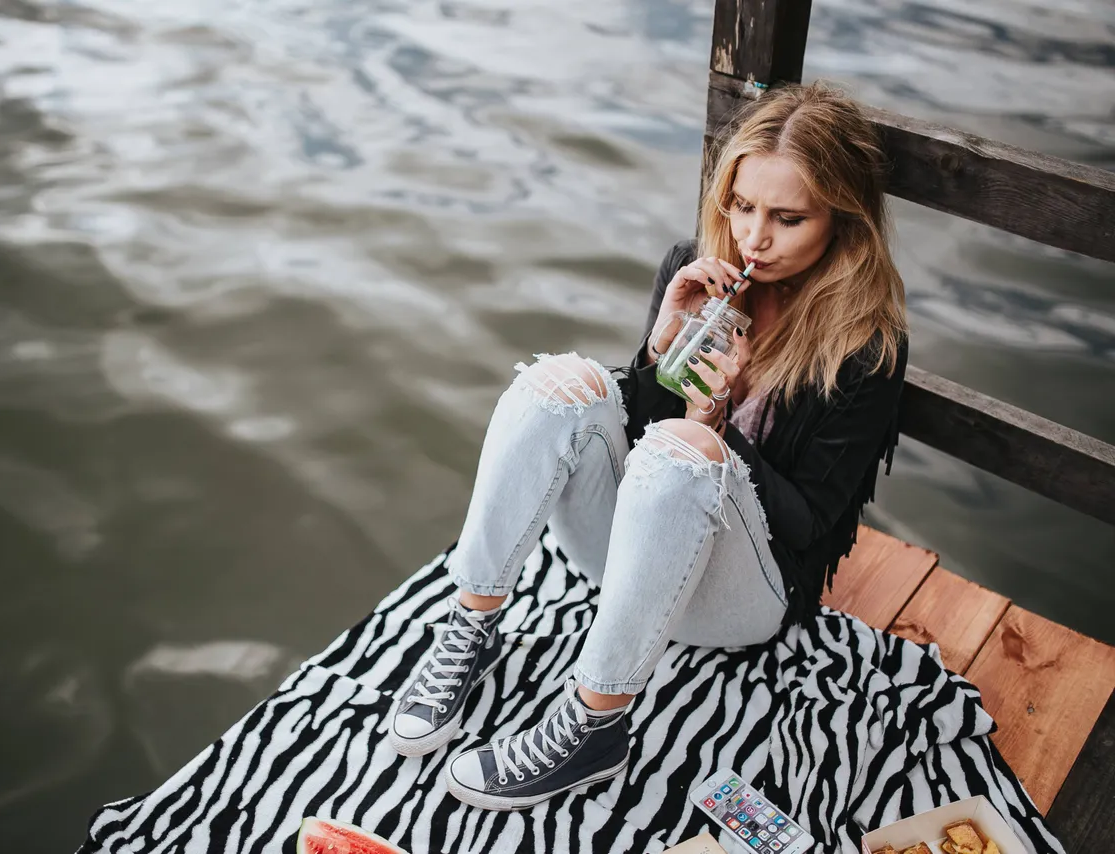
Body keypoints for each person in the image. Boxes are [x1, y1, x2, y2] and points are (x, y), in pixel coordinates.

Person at [387, 81, 910, 813]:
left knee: (684, 445)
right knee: (559, 385)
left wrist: (713, 419)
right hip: (633, 563)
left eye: (788, 218)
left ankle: (594, 723)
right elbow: (627, 432)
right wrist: (659, 349)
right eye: (743, 205)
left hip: (743, 600)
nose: (755, 237)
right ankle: (470, 627)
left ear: (844, 222)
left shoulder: (866, 351)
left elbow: (808, 523)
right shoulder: (696, 269)